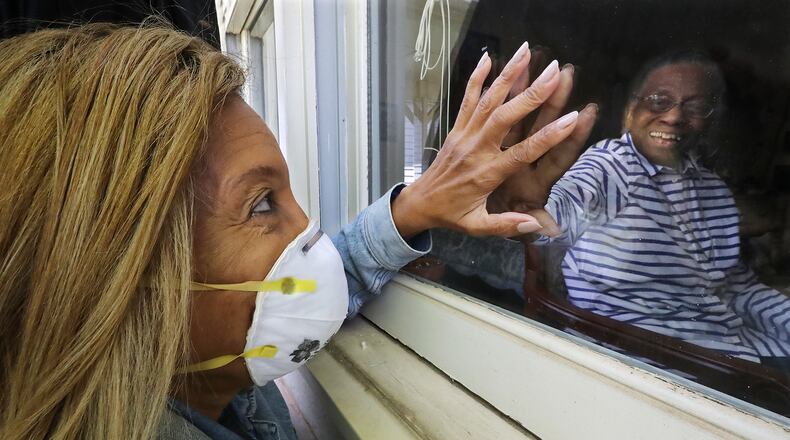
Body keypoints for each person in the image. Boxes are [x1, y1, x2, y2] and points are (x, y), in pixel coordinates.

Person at [0, 23, 595, 439]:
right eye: (263, 205)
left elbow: (340, 266)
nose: (307, 230)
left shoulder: (211, 374)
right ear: (119, 278)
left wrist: (416, 208)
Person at [515, 52, 790, 363]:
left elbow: (735, 287)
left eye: (696, 107)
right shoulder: (613, 164)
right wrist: (523, 212)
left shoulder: (714, 191)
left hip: (737, 349)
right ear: (632, 108)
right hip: (658, 365)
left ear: (710, 119)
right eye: (659, 100)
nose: (673, 117)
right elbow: (561, 212)